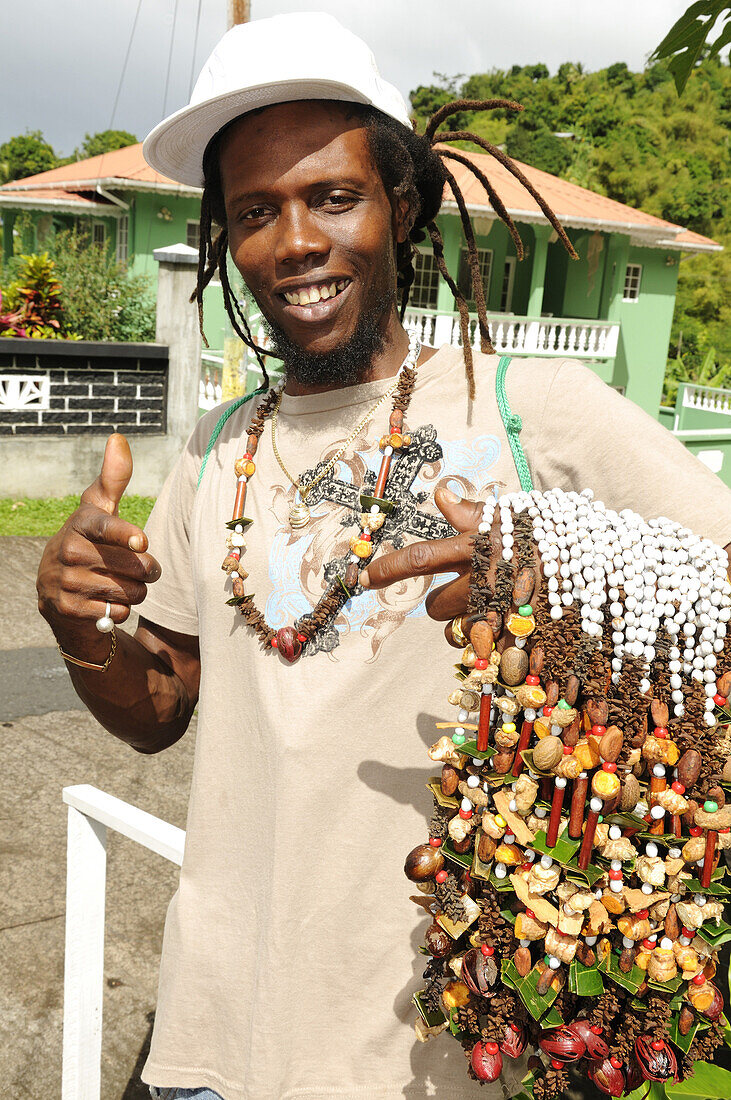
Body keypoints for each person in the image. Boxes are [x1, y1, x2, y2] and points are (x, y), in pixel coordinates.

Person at [37, 14, 731, 1100]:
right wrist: (84, 639)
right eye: (256, 211)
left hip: (433, 1058)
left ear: (399, 208)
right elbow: (163, 704)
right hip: (210, 1039)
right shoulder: (221, 442)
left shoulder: (530, 410)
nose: (296, 240)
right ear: (225, 240)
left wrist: (554, 580)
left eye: (332, 195)